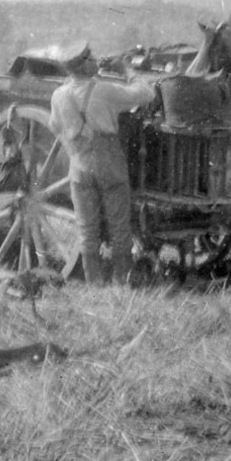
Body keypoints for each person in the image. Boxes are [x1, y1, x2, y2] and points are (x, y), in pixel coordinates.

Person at [49, 42, 156, 285]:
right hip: (109, 162)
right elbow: (146, 93)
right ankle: (121, 282)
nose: (95, 59)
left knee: (87, 230)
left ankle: (94, 286)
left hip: (79, 164)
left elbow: (55, 127)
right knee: (120, 227)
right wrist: (127, 69)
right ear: (84, 64)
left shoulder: (58, 95)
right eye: (91, 57)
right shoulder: (104, 90)